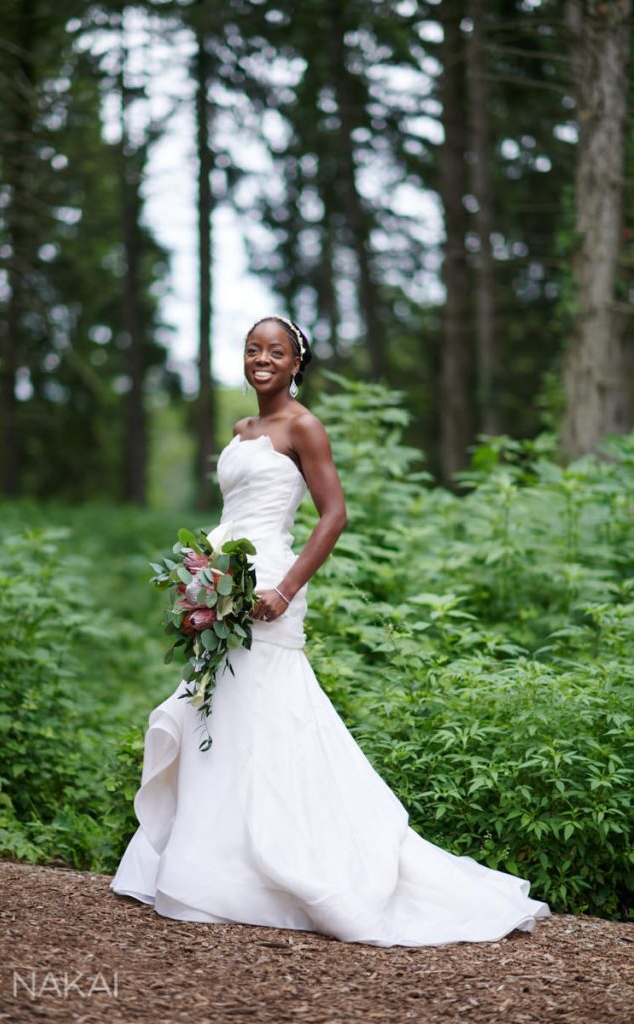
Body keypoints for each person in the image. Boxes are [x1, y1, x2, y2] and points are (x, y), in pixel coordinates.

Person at [110, 314, 551, 947]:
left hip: (271, 586)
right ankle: (220, 870)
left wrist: (284, 590)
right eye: (252, 349)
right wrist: (200, 576)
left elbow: (333, 515)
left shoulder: (303, 426)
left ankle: (315, 864)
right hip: (226, 582)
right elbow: (237, 510)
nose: (262, 359)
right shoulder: (242, 431)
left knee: (272, 711)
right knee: (223, 716)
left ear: (296, 364)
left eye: (276, 351)